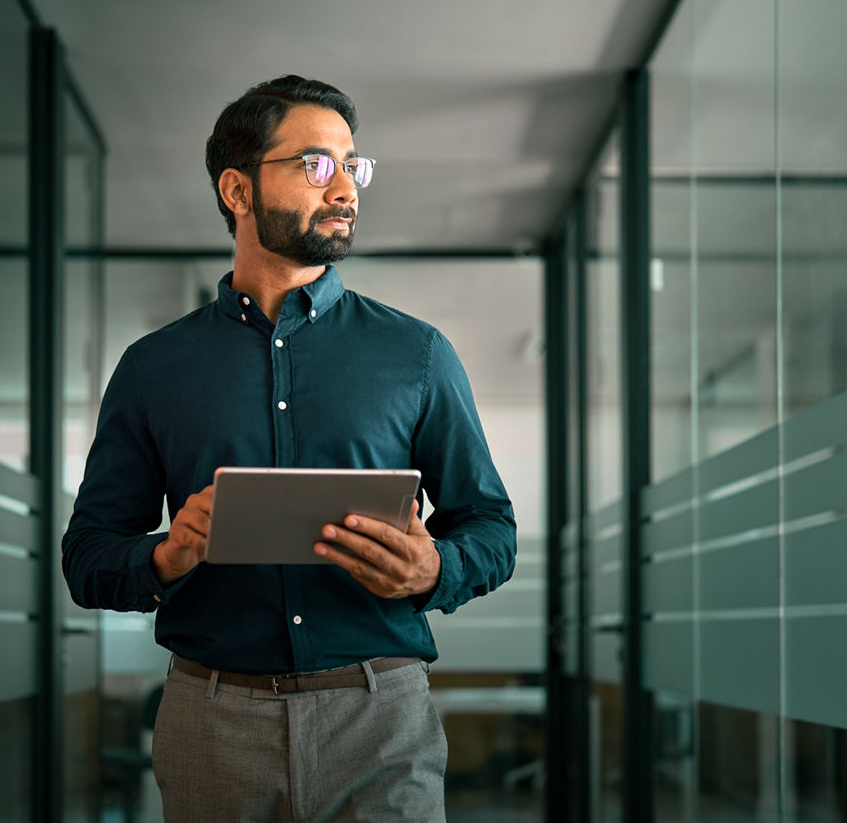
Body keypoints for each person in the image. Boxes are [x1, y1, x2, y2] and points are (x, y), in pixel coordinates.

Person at [61, 74, 516, 822]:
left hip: (380, 718)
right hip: (212, 721)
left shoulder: (418, 355)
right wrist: (166, 557)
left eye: (352, 164)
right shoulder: (153, 369)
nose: (346, 188)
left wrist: (438, 567)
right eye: (316, 164)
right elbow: (88, 555)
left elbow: (491, 527)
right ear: (237, 191)